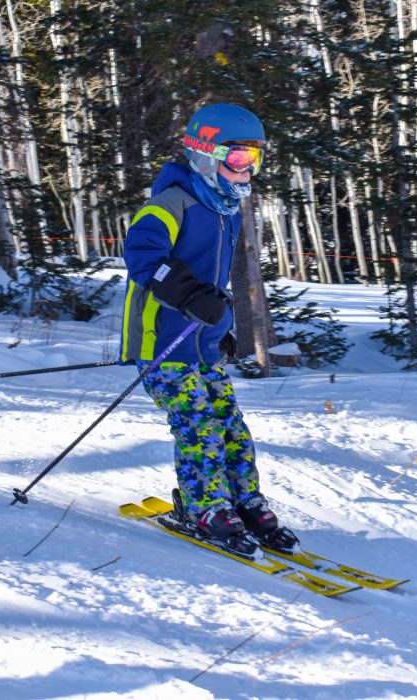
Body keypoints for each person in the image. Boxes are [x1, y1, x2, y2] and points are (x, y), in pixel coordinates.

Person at [120, 103, 297, 558]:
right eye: (238, 158)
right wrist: (186, 295)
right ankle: (204, 506)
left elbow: (212, 284)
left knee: (231, 426)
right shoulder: (168, 205)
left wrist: (219, 328)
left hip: (200, 343)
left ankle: (244, 501)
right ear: (205, 153)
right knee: (198, 425)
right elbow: (142, 259)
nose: (248, 171)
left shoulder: (226, 210)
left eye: (255, 160)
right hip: (161, 343)